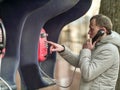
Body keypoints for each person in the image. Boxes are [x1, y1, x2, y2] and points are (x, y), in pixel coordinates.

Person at [47, 14, 120, 90]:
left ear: (102, 31)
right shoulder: (99, 45)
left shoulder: (109, 50)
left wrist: (86, 50)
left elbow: (88, 74)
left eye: (92, 29)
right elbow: (82, 62)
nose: (88, 32)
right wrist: (63, 50)